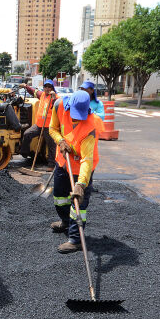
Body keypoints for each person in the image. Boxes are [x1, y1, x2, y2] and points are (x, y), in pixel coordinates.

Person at [48, 90, 104, 254]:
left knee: (78, 204)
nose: (77, 118)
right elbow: (53, 128)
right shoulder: (59, 106)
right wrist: (60, 141)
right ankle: (66, 221)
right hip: (63, 161)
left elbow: (87, 160)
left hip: (81, 168)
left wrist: (81, 184)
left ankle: (75, 240)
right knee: (59, 196)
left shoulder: (90, 127)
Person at [18, 79, 57, 169]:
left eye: (49, 87)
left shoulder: (55, 97)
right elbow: (33, 91)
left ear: (52, 88)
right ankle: (25, 152)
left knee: (51, 145)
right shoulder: (42, 95)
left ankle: (51, 165)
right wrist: (26, 86)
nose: (47, 89)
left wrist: (54, 97)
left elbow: (57, 104)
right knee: (27, 134)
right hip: (39, 125)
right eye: (45, 87)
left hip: (48, 126)